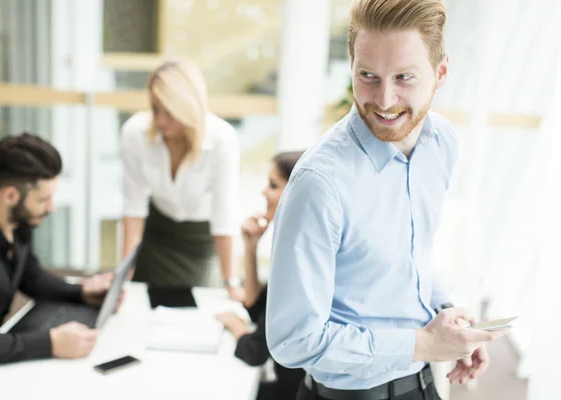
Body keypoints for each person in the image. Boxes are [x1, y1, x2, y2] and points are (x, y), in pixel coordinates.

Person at [266, 1, 508, 399]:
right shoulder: (319, 184)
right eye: (368, 76)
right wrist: (425, 344)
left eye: (404, 77)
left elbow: (411, 261)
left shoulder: (440, 143)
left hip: (423, 386)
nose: (384, 99)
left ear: (440, 72)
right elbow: (294, 340)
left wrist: (449, 323)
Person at [0, 133, 116, 367]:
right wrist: (50, 343)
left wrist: (80, 293)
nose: (51, 207)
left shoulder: (16, 223)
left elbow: (29, 276)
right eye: (43, 199)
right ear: (10, 195)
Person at [120, 57, 244, 301]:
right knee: (142, 305)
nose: (161, 121)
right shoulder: (135, 133)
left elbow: (223, 217)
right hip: (156, 234)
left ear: (189, 107)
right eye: (155, 109)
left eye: (170, 111)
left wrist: (231, 283)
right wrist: (122, 278)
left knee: (192, 311)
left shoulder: (222, 139)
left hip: (200, 240)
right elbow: (133, 209)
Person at [217, 151, 305, 400]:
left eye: (273, 185)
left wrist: (236, 326)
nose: (264, 193)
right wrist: (251, 246)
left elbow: (254, 351)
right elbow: (256, 307)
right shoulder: (291, 244)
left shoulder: (300, 258)